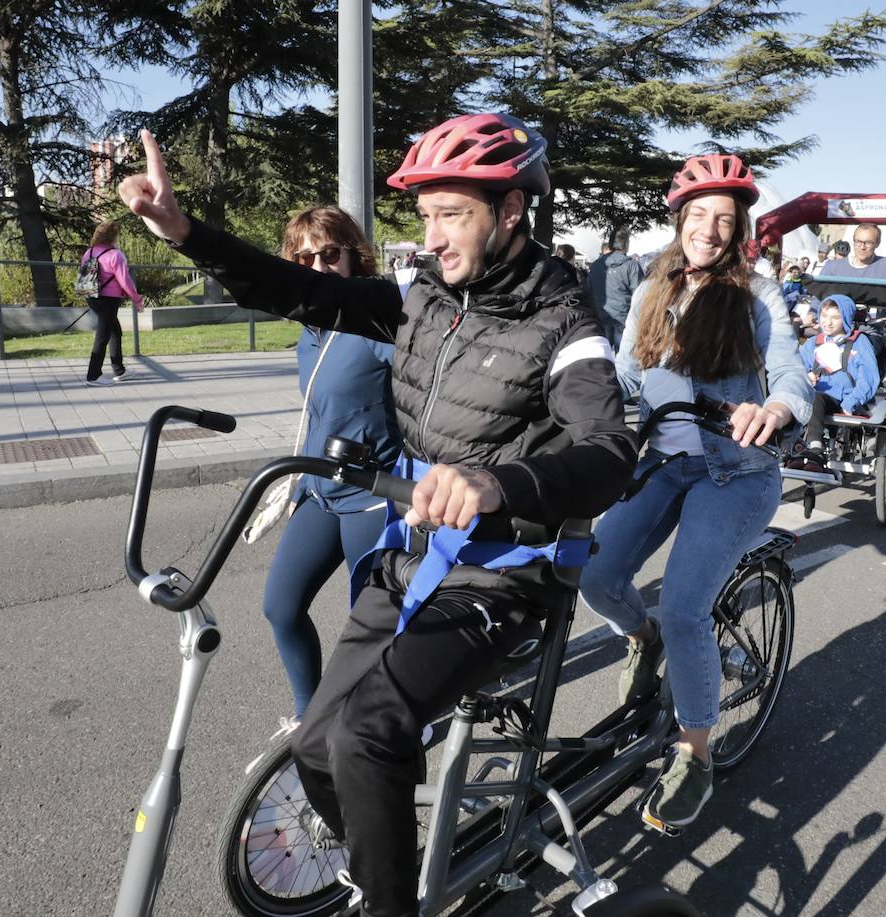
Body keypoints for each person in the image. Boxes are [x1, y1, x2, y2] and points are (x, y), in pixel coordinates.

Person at [119, 115, 638, 916]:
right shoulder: (423, 298)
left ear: (509, 212)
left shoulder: (565, 323)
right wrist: (185, 231)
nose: (433, 236)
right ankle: (383, 866)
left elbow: (610, 452)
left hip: (503, 578)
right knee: (318, 749)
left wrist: (500, 485)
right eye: (425, 215)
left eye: (451, 214)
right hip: (415, 556)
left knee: (369, 734)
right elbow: (303, 289)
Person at [578, 152, 811, 830]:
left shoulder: (756, 294)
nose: (710, 229)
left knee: (685, 607)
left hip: (736, 472)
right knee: (594, 574)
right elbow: (622, 375)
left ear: (740, 230)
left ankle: (695, 752)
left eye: (725, 219)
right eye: (699, 215)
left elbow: (792, 372)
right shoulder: (655, 287)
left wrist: (777, 410)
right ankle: (642, 638)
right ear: (680, 219)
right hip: (664, 461)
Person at [258, 206, 401, 726]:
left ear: (352, 256)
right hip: (320, 488)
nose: (318, 266)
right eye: (305, 257)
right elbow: (319, 409)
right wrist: (300, 482)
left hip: (373, 496)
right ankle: (308, 716)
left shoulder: (378, 324)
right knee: (281, 605)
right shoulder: (310, 329)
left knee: (367, 626)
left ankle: (381, 718)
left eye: (330, 253)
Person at [787, 294, 880, 471]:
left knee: (816, 399)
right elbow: (797, 366)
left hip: (844, 399)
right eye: (824, 316)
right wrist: (806, 377)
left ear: (845, 318)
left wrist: (851, 402)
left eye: (835, 318)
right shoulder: (813, 342)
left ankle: (815, 447)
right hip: (815, 396)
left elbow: (868, 377)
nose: (828, 323)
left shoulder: (859, 342)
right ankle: (794, 446)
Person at [79, 221, 143, 386]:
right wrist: (136, 299)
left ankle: (119, 370)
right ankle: (93, 376)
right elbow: (125, 281)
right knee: (103, 335)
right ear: (113, 236)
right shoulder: (115, 255)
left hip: (92, 297)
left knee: (115, 331)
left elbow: (85, 277)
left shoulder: (89, 252)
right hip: (109, 299)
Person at [586, 226, 644, 351]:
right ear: (626, 244)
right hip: (623, 319)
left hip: (600, 316)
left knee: (601, 357)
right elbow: (640, 295)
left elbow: (588, 289)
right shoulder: (631, 266)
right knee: (623, 361)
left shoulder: (596, 264)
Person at [816, 223, 886, 281]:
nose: (862, 247)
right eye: (858, 241)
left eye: (868, 242)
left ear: (877, 243)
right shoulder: (833, 267)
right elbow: (818, 298)